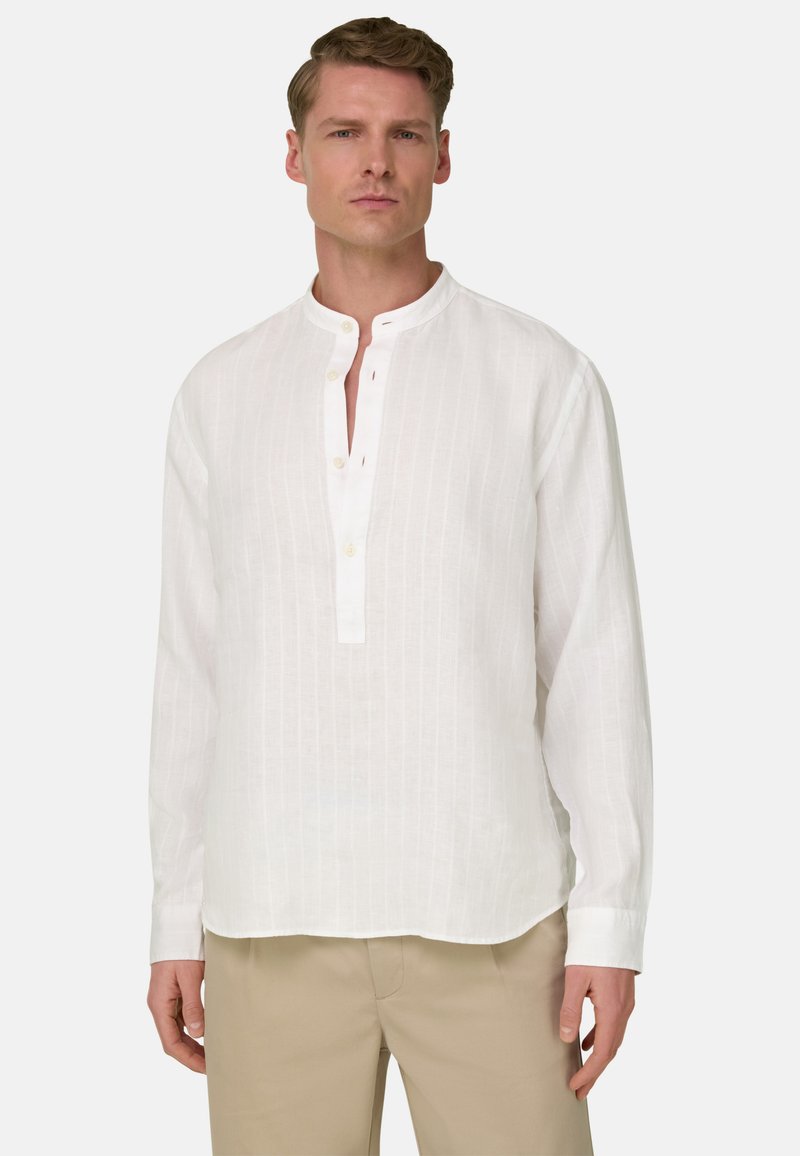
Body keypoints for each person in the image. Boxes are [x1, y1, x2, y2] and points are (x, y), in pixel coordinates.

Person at [145, 15, 653, 1156]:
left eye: (405, 134)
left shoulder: (541, 378)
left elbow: (594, 660)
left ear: (442, 156)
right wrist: (176, 913)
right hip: (267, 921)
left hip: (492, 919)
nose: (375, 161)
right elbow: (193, 669)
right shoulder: (219, 393)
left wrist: (609, 921)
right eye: (344, 132)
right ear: (294, 155)